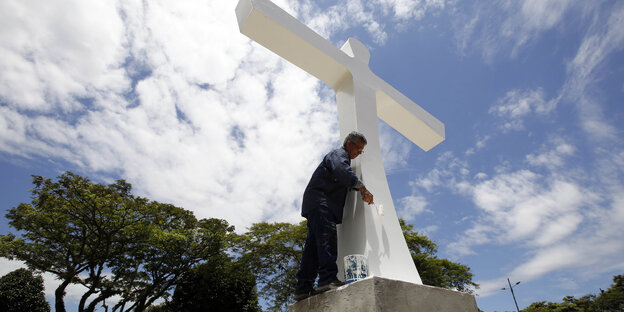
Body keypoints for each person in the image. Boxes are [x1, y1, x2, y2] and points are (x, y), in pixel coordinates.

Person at [294, 131, 374, 301]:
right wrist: (362, 188)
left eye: (362, 151)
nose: (359, 153)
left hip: (316, 205)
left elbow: (340, 175)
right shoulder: (339, 154)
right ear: (350, 144)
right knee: (327, 239)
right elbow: (341, 169)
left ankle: (302, 288)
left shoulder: (341, 157)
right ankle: (327, 279)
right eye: (358, 148)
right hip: (322, 204)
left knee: (313, 250)